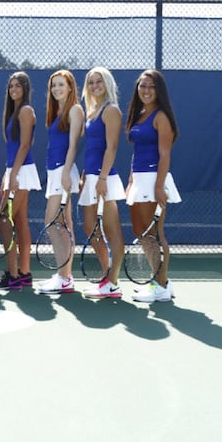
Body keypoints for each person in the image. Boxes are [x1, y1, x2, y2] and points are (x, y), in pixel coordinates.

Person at [125, 69, 181, 302]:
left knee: (154, 235)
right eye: (142, 86)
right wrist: (130, 181)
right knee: (141, 232)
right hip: (139, 179)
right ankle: (161, 281)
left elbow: (164, 154)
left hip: (153, 179)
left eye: (151, 87)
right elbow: (136, 152)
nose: (146, 91)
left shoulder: (161, 117)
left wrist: (159, 186)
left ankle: (161, 285)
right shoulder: (138, 114)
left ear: (159, 91)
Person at [0, 71, 41, 290]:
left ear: (25, 89)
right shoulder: (15, 112)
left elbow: (25, 145)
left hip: (22, 172)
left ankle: (13, 275)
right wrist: (8, 175)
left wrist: (14, 176)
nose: (14, 90)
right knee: (20, 222)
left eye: (18, 86)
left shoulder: (26, 111)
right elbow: (14, 147)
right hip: (16, 171)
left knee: (2, 220)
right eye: (11, 87)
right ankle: (25, 273)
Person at [78, 67, 127, 298]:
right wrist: (85, 175)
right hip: (91, 177)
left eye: (99, 82)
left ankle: (113, 282)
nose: (95, 86)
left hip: (104, 178)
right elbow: (92, 149)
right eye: (91, 82)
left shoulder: (111, 110)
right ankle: (107, 276)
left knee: (112, 230)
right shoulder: (92, 110)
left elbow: (112, 147)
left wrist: (102, 178)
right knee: (90, 226)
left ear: (107, 84)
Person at [36, 70, 84, 294]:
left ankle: (64, 276)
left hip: (63, 172)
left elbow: (74, 145)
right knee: (63, 223)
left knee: (53, 221)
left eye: (61, 85)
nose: (56, 89)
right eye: (53, 85)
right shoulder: (57, 112)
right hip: (56, 171)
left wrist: (65, 173)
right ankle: (65, 276)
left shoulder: (75, 110)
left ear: (70, 87)